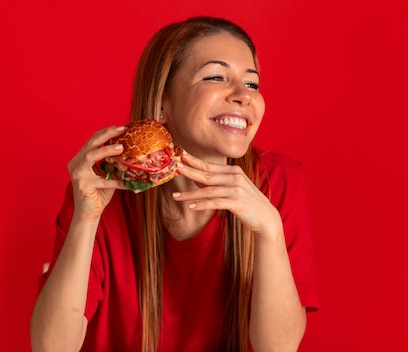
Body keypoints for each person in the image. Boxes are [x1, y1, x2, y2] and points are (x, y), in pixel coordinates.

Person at [30, 16, 318, 352]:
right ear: (162, 104)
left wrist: (269, 230)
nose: (244, 95)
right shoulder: (103, 186)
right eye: (216, 76)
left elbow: (278, 348)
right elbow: (51, 347)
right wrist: (86, 218)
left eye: (252, 84)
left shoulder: (277, 181)